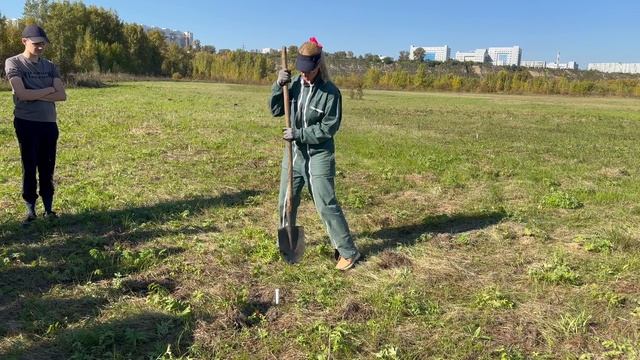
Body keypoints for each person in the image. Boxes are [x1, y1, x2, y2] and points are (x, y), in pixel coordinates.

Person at [269, 37, 360, 270]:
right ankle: (288, 245)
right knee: (286, 201)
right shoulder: (295, 85)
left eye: (308, 71)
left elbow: (328, 128)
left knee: (325, 203)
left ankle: (348, 251)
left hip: (319, 155)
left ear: (319, 65)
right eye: (302, 70)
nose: (305, 75)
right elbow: (277, 110)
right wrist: (278, 86)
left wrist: (299, 133)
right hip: (295, 155)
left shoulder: (330, 93)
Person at [5, 24, 67, 225]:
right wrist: (48, 90)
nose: (41, 47)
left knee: (48, 167)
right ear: (24, 41)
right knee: (29, 166)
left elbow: (62, 95)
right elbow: (21, 93)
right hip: (26, 122)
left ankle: (49, 208)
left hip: (49, 123)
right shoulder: (13, 63)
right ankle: (31, 209)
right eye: (36, 44)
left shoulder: (50, 66)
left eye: (43, 44)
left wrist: (35, 94)